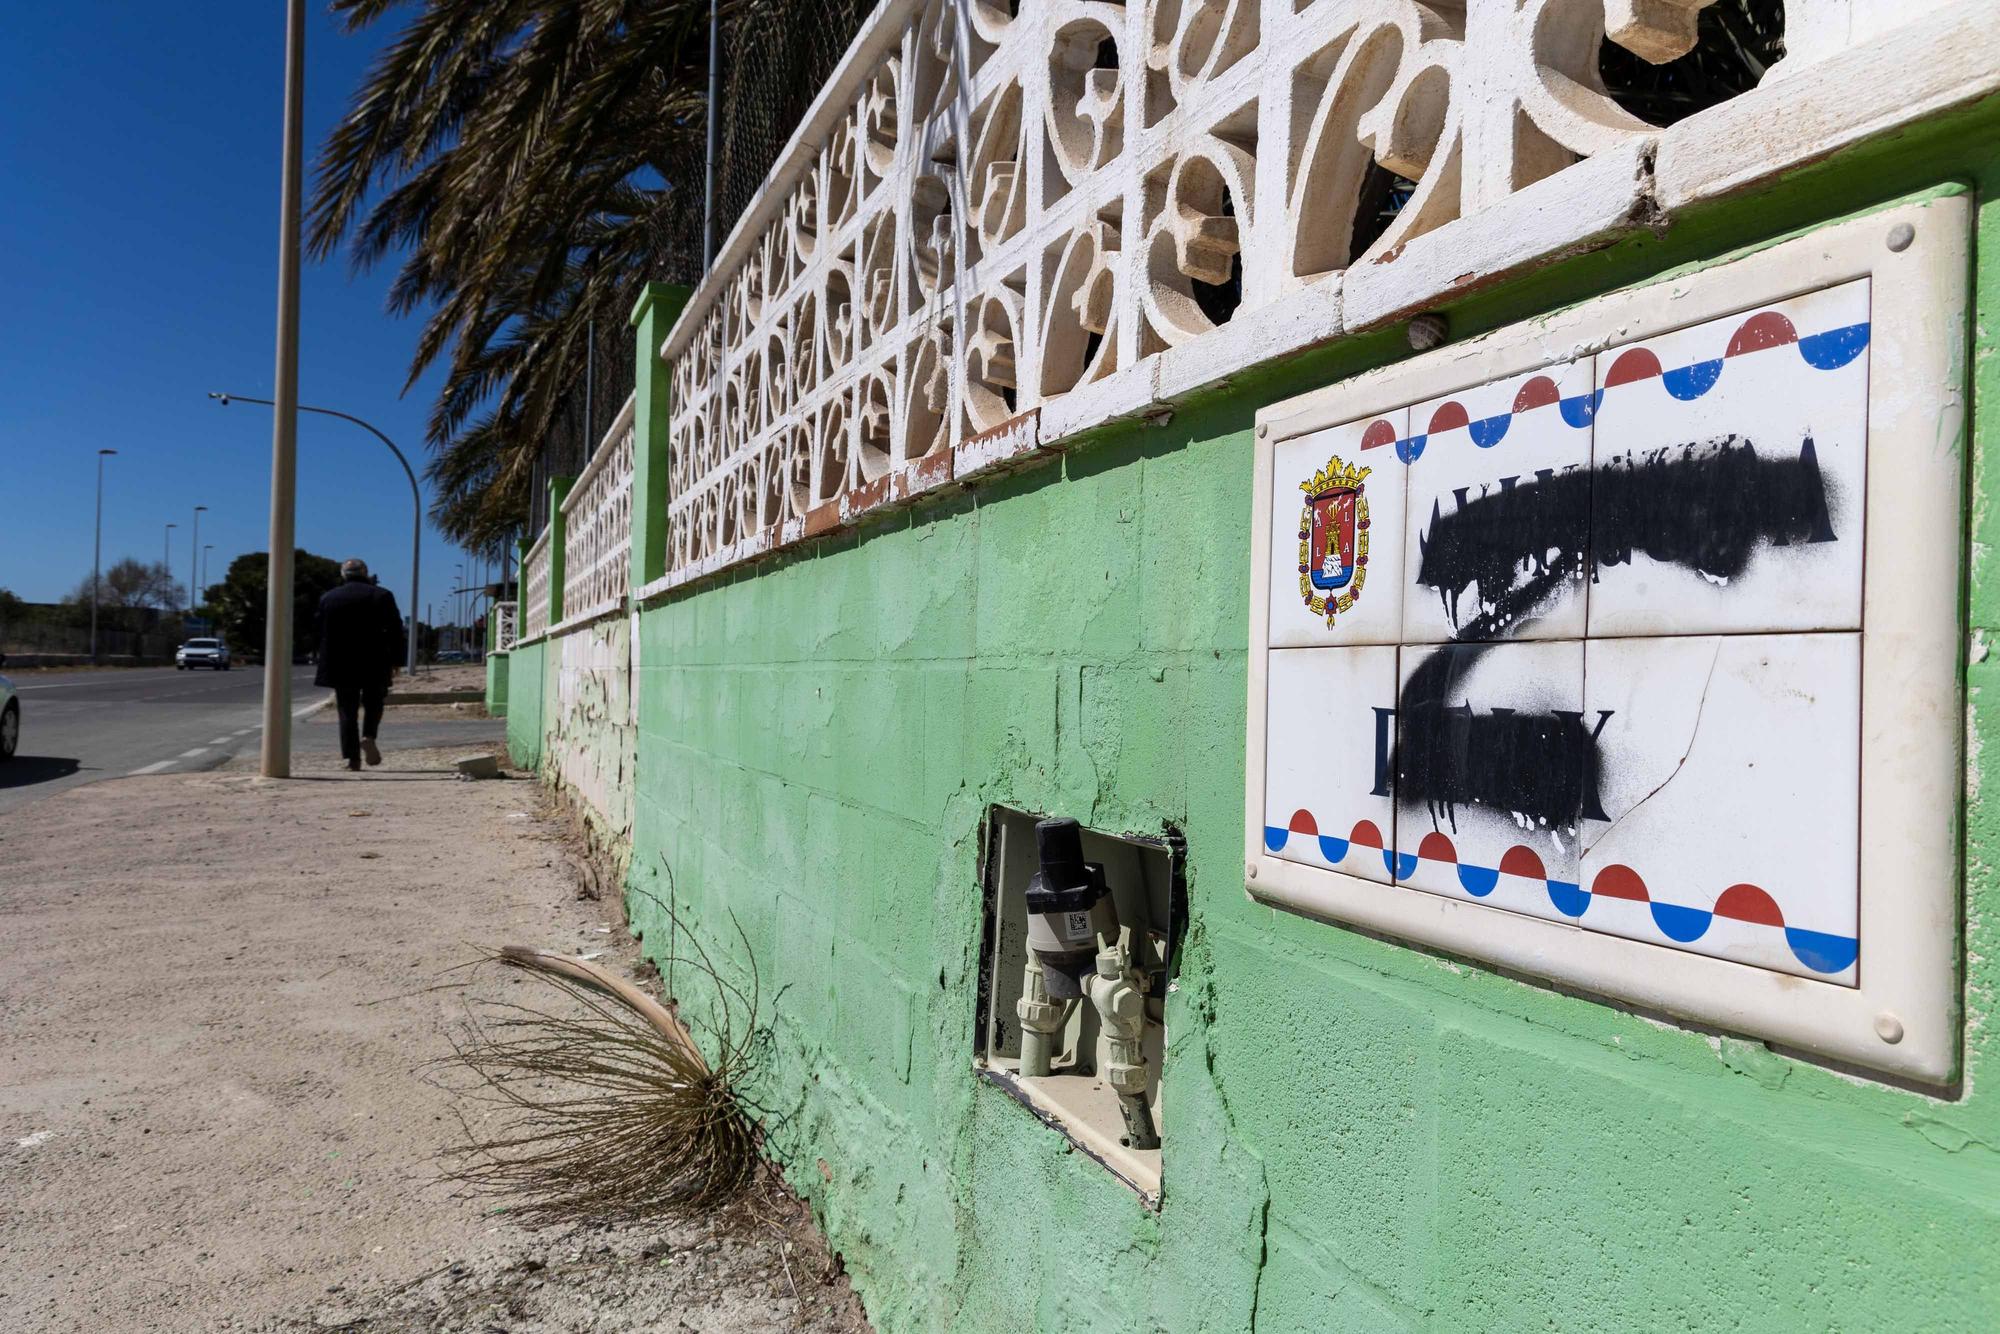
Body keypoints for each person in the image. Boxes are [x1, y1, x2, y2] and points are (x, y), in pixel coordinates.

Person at [315, 558, 404, 771]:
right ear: (365, 573)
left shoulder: (329, 598)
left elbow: (319, 630)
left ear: (343, 574)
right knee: (374, 702)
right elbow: (395, 630)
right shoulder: (382, 595)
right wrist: (397, 660)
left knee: (347, 710)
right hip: (375, 660)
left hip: (341, 662)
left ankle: (352, 759)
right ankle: (369, 735)